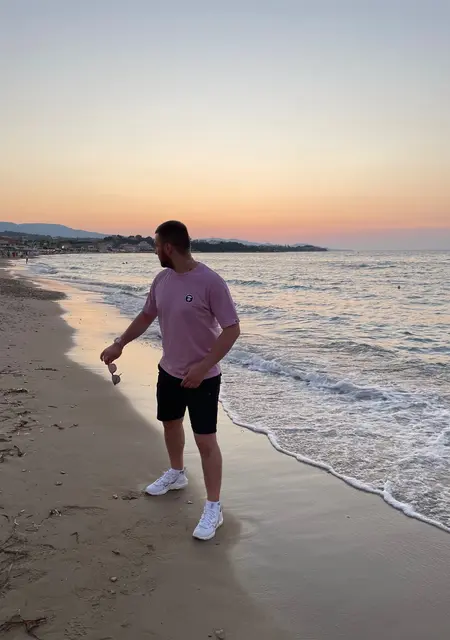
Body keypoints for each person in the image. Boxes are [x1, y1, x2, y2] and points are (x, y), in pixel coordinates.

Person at [100, 221, 240, 540]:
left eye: (155, 246)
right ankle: (176, 473)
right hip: (169, 371)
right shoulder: (162, 280)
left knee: (205, 441)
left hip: (203, 378)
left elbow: (232, 329)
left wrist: (203, 367)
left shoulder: (211, 282)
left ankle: (214, 507)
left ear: (168, 248)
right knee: (170, 424)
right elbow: (146, 315)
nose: (154, 251)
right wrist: (120, 343)